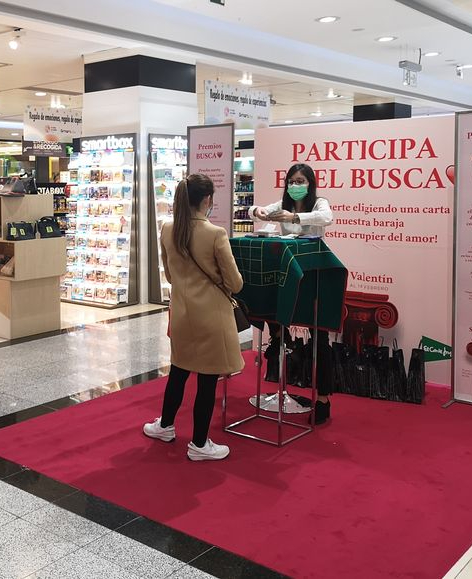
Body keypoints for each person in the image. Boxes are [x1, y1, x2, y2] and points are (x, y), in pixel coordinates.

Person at [143, 174, 243, 461]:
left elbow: (171, 276)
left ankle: (165, 425)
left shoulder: (167, 228)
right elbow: (235, 283)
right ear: (207, 199)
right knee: (207, 380)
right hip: (212, 316)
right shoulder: (215, 234)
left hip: (182, 313)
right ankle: (200, 444)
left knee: (179, 370)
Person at [250, 163, 335, 424]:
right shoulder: (282, 203)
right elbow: (255, 211)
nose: (296, 185)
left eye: (301, 181)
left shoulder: (319, 203)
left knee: (319, 337)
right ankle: (278, 337)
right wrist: (261, 211)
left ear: (310, 183)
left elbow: (326, 219)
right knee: (265, 306)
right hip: (288, 273)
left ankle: (323, 398)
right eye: (292, 181)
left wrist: (295, 218)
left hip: (314, 275)